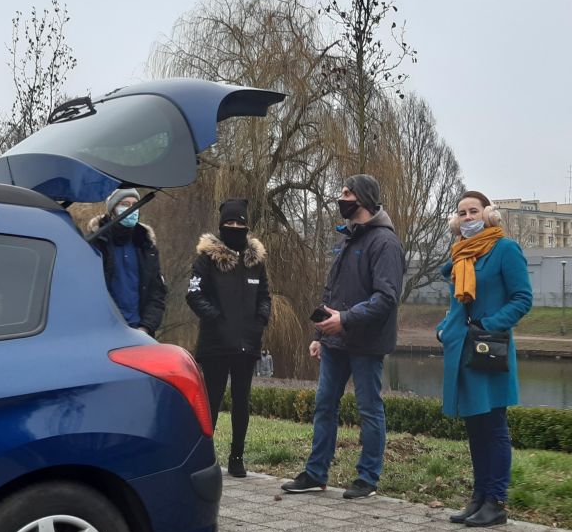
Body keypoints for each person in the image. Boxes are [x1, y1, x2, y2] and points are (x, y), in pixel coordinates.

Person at [282, 174, 405, 499]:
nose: (341, 198)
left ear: (363, 198)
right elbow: (331, 292)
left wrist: (346, 321)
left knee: (368, 408)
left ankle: (367, 478)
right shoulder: (347, 239)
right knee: (324, 405)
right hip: (335, 341)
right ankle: (315, 473)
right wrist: (319, 334)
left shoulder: (385, 243)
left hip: (366, 342)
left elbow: (386, 298)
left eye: (347, 192)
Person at [435, 190, 532, 527]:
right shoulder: (461, 255)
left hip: (490, 349)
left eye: (473, 211)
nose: (467, 218)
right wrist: (444, 329)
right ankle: (478, 497)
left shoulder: (505, 250)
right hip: (463, 350)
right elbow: (455, 306)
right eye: (461, 213)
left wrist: (486, 326)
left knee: (494, 426)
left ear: (488, 215)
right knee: (475, 426)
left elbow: (522, 299)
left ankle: (496, 500)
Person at [186, 198, 271, 478]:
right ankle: (205, 455)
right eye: (230, 223)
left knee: (241, 401)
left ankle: (237, 457)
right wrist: (216, 319)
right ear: (222, 225)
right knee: (211, 400)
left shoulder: (255, 262)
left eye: (240, 223)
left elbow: (265, 298)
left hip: (246, 343)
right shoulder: (206, 259)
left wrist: (259, 322)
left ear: (247, 226)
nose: (235, 227)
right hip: (215, 343)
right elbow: (194, 294)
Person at [88, 188, 167, 337]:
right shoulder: (95, 243)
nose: (131, 209)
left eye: (135, 204)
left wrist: (146, 327)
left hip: (139, 334)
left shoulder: (146, 245)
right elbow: (88, 291)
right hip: (104, 331)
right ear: (112, 210)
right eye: (124, 204)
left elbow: (157, 293)